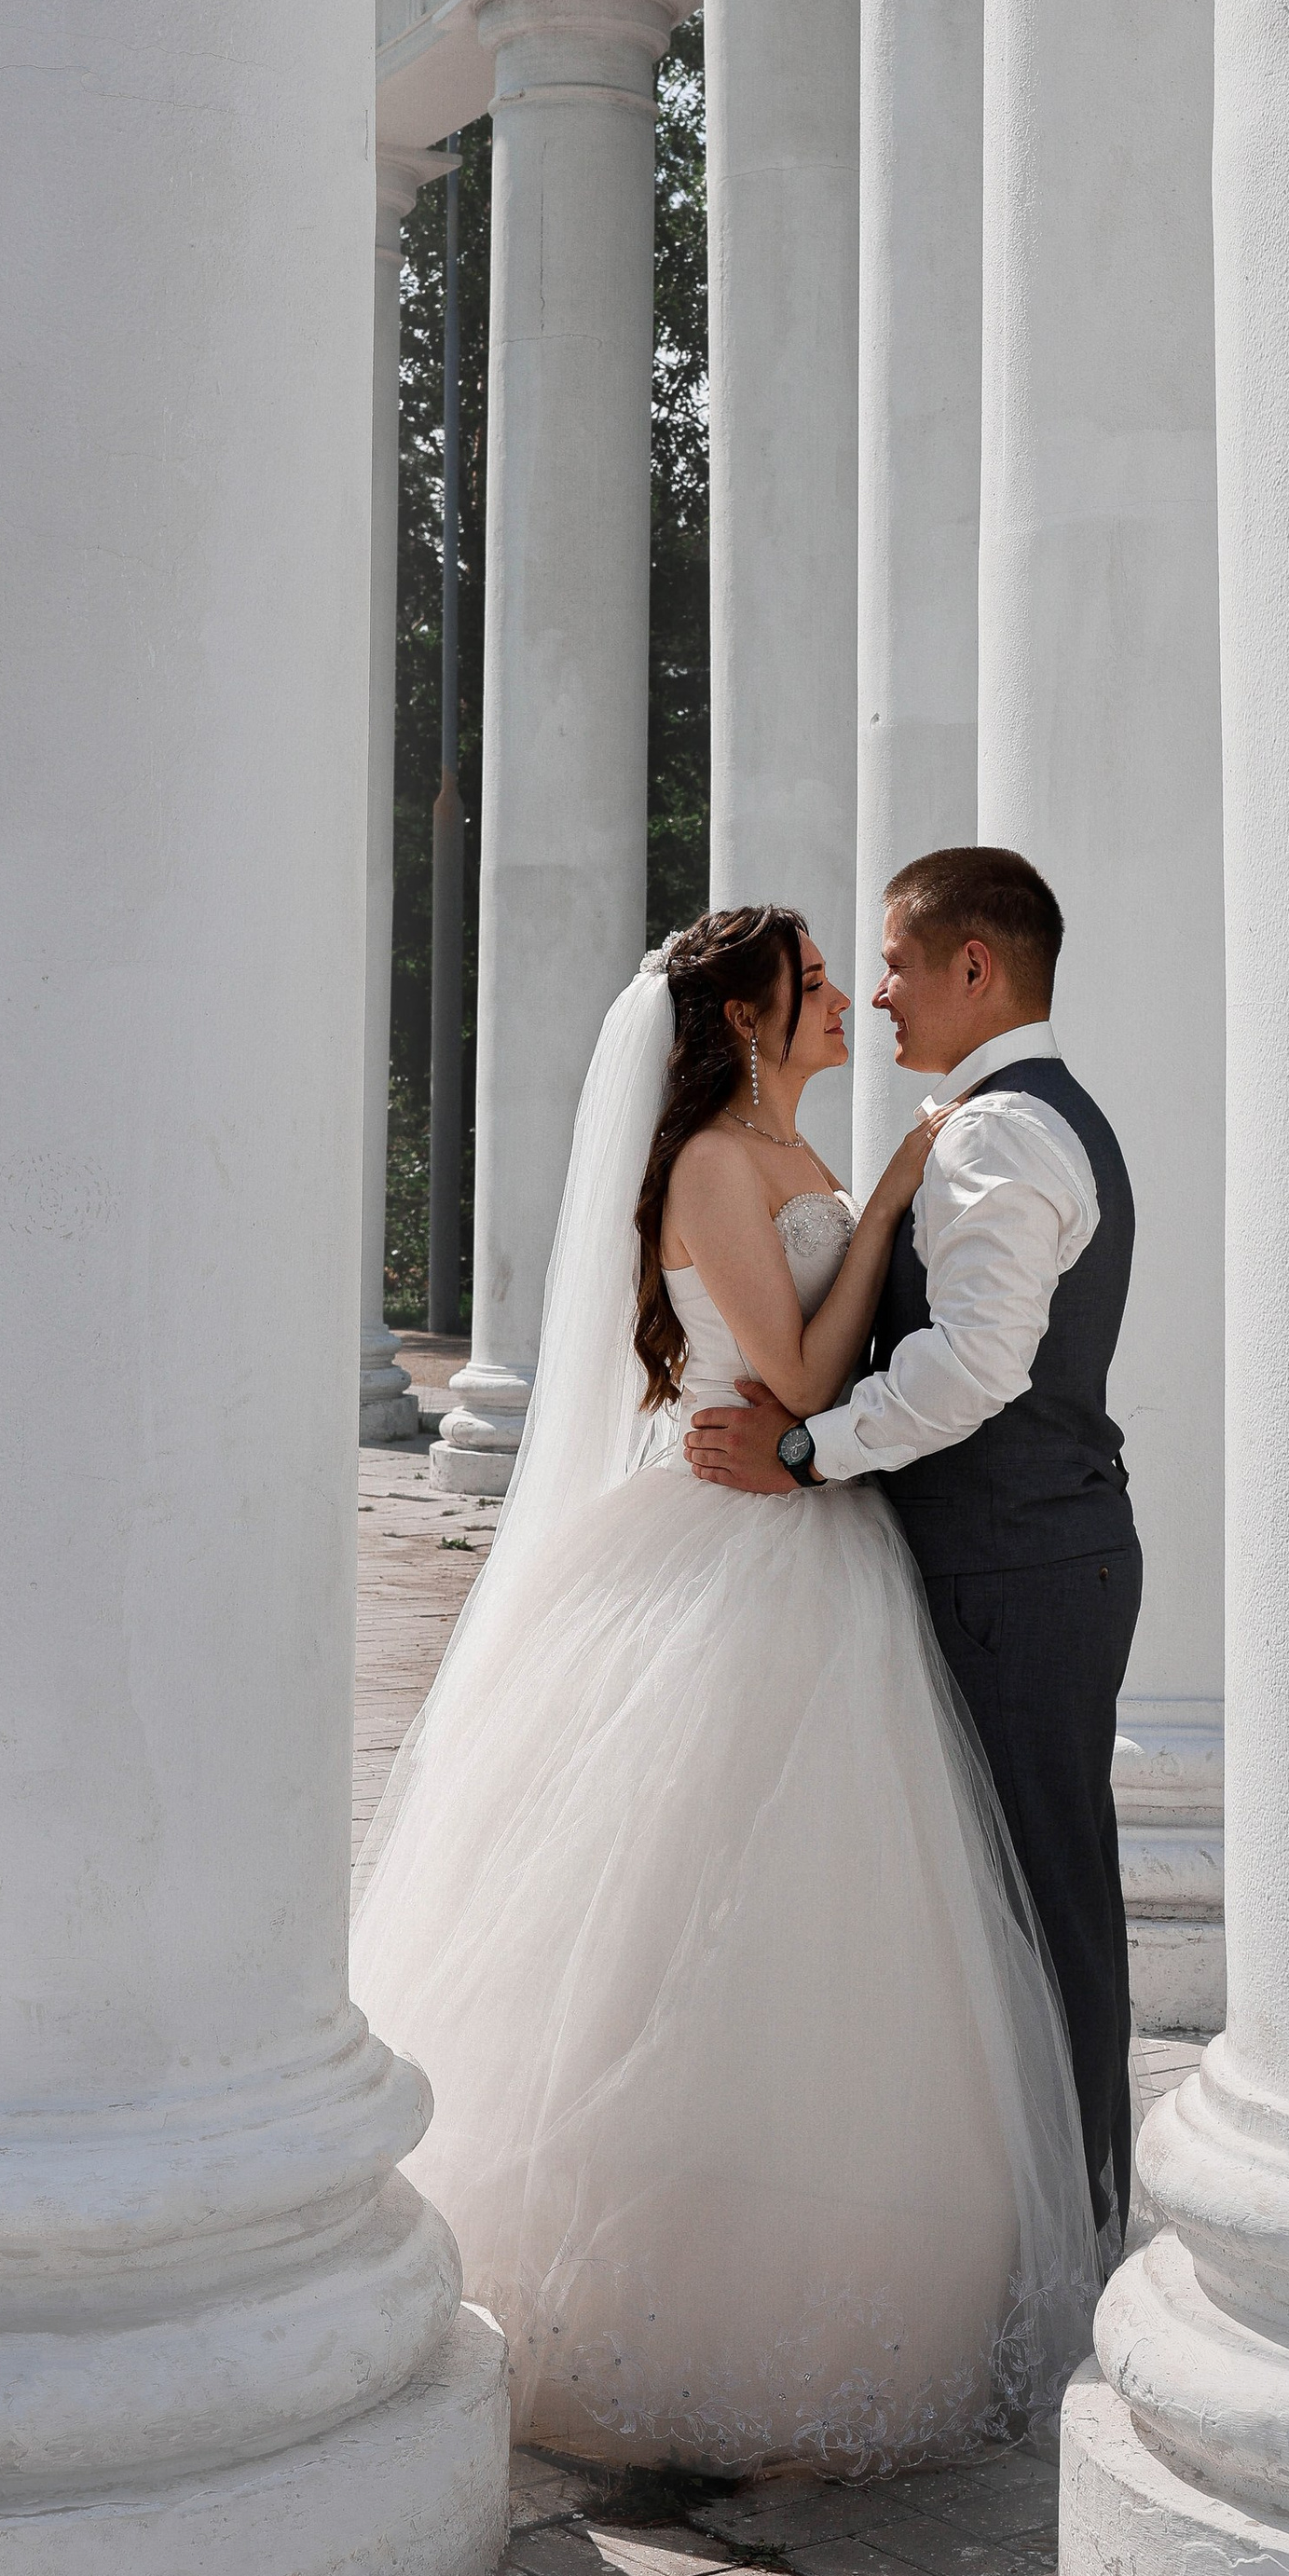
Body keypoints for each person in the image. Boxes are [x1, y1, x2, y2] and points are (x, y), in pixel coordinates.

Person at [348, 906, 1097, 2477]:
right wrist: (894, 1192)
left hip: (821, 1540)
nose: (848, 999)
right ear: (751, 1018)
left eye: (850, 974)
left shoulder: (798, 1155)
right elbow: (803, 1382)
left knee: (822, 1930)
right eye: (819, 981)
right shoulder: (712, 1163)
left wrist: (874, 1192)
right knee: (669, 1913)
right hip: (727, 1536)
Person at [689, 847, 1142, 2251]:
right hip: (1017, 1555)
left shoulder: (1002, 1133)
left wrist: (809, 1454)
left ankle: (1077, 2234)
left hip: (1015, 1566)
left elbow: (973, 1371)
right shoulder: (993, 1119)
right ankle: (1033, 2217)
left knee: (1043, 1901)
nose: (876, 994)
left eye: (891, 963)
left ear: (972, 968)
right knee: (1002, 1907)